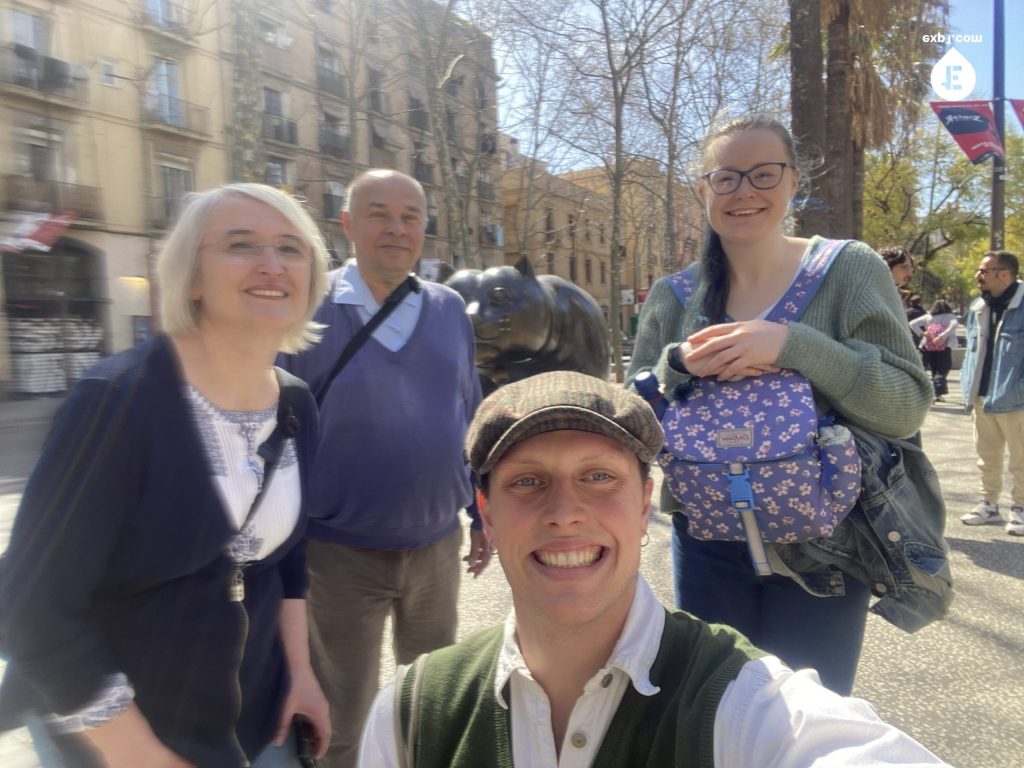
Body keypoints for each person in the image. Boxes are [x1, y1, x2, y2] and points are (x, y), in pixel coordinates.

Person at [357, 371, 950, 767]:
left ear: (645, 505)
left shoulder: (745, 706)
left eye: (598, 477)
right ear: (485, 512)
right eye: (528, 481)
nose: (565, 513)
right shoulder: (412, 713)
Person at [0, 183, 331, 766]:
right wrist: (142, 754)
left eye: (291, 247)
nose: (272, 264)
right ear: (193, 278)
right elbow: (33, 609)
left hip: (257, 717)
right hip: (112, 734)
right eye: (241, 245)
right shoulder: (114, 402)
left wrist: (301, 673)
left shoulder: (297, 404)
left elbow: (289, 560)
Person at [626, 115, 932, 695]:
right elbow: (630, 419)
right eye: (726, 178)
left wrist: (797, 347)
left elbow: (905, 407)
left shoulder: (848, 269)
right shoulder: (674, 296)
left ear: (793, 182)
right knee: (713, 712)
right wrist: (675, 366)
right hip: (706, 543)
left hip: (828, 553)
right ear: (703, 191)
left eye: (764, 174)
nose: (745, 191)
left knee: (807, 722)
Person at [280, 169, 486, 767]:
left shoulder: (448, 309)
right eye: (378, 213)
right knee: (341, 718)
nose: (396, 228)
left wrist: (481, 512)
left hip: (435, 548)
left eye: (409, 216)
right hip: (336, 555)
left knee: (432, 700)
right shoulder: (310, 308)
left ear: (425, 227)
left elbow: (469, 413)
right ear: (346, 224)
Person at [959, 249, 1024, 536]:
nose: (978, 275)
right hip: (982, 397)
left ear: (1005, 274)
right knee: (986, 455)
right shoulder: (978, 307)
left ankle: (1020, 508)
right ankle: (988, 503)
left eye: (984, 271)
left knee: (1021, 458)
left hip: (1017, 399)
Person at [909, 299, 959, 402]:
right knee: (943, 369)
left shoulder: (928, 317)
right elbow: (954, 325)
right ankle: (937, 392)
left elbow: (912, 323)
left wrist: (922, 333)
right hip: (944, 347)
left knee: (933, 368)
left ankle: (936, 393)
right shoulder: (949, 316)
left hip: (928, 345)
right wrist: (942, 336)